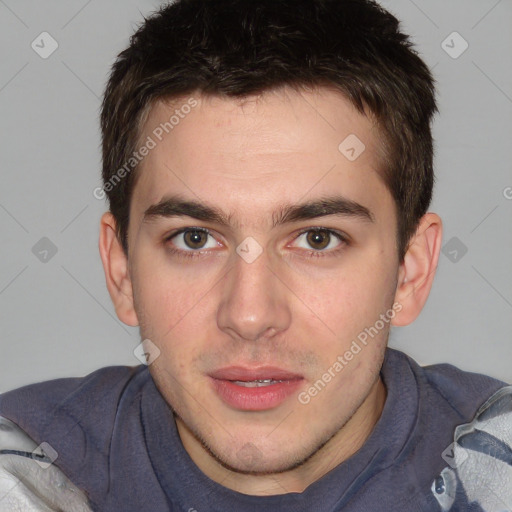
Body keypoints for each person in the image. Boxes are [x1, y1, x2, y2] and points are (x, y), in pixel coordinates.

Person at [0, 0, 511, 510]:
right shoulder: (25, 472)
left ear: (410, 272)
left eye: (318, 239)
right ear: (122, 271)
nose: (249, 315)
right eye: (194, 239)